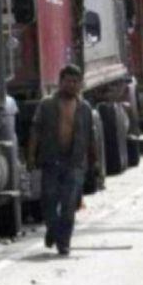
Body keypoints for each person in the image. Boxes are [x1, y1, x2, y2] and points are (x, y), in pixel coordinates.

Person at [27, 65, 99, 256]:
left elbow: (91, 138)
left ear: (80, 84)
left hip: (74, 163)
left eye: (76, 82)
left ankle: (64, 242)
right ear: (60, 82)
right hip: (51, 161)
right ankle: (52, 230)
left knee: (69, 205)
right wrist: (31, 156)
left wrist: (94, 162)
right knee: (49, 202)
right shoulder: (46, 105)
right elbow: (35, 131)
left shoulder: (84, 108)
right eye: (68, 81)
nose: (72, 85)